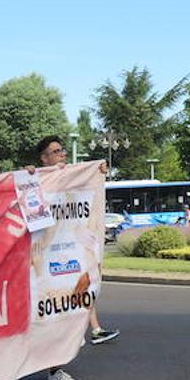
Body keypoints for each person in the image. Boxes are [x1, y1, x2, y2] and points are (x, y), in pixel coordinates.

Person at [0, 147, 78, 380]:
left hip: (15, 267)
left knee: (33, 320)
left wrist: (32, 179)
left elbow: (40, 213)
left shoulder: (12, 185)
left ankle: (49, 370)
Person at [35, 136, 119, 345]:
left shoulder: (71, 176)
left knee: (86, 279)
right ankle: (67, 335)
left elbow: (89, 183)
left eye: (62, 150)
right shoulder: (36, 180)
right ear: (43, 158)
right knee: (56, 294)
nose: (62, 154)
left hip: (72, 241)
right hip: (48, 248)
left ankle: (93, 328)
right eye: (55, 151)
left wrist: (98, 171)